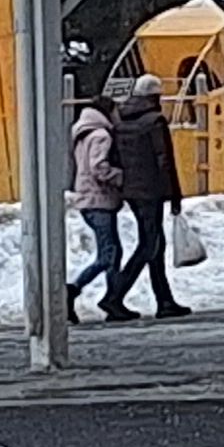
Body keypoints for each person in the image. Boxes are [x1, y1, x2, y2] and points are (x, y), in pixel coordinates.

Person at [107, 73, 183, 318]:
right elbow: (164, 160)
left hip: (132, 191)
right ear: (155, 96)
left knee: (154, 243)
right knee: (150, 244)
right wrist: (174, 194)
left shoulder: (121, 122)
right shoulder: (155, 122)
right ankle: (114, 295)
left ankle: (164, 300)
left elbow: (115, 157)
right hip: (152, 190)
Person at [65, 95, 125, 318]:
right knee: (108, 255)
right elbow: (98, 168)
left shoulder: (83, 133)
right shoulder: (101, 135)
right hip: (98, 199)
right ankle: (73, 289)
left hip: (89, 199)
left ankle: (114, 301)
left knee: (113, 252)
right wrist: (121, 177)